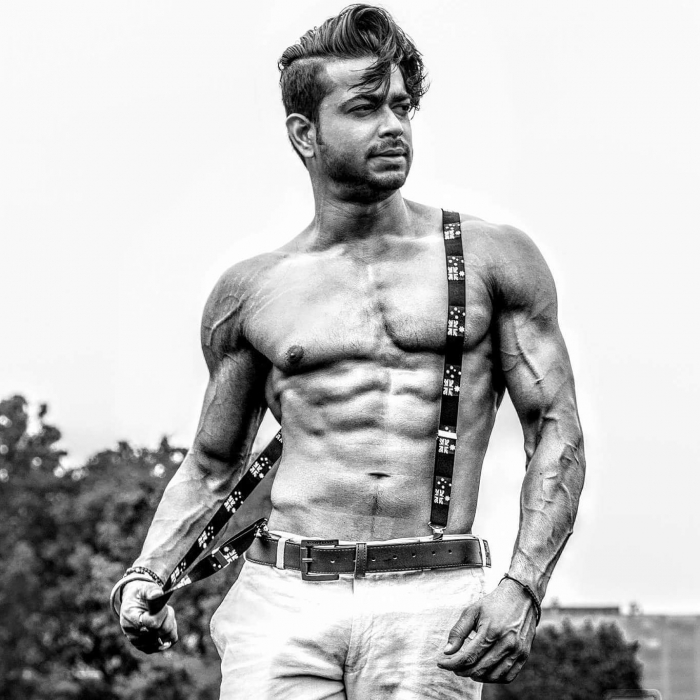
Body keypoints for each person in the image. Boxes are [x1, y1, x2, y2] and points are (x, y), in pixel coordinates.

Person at [112, 5, 586, 699]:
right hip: (282, 598)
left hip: (431, 597)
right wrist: (147, 573)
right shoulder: (253, 291)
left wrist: (524, 586)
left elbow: (556, 429)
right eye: (365, 108)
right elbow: (213, 464)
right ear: (305, 133)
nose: (393, 126)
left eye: (402, 106)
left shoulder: (492, 258)